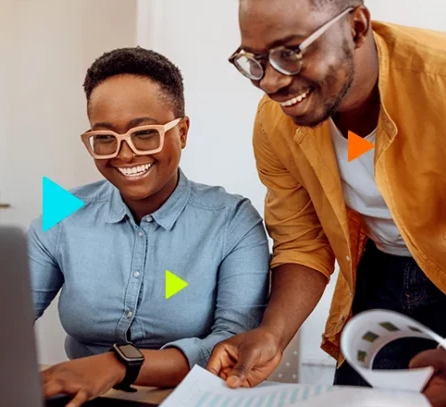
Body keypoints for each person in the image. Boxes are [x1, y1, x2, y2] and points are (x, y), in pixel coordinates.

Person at [206, 1, 446, 406]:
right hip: (376, 273)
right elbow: (302, 243)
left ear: (357, 26)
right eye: (254, 61)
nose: (270, 82)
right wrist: (272, 335)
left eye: (290, 53)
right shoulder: (276, 121)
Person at [30, 47, 271, 407]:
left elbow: (231, 347)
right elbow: (2, 319)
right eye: (105, 138)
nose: (124, 154)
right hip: (80, 398)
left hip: (189, 400)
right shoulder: (64, 214)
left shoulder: (232, 221)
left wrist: (115, 366)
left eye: (144, 133)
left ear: (183, 132)